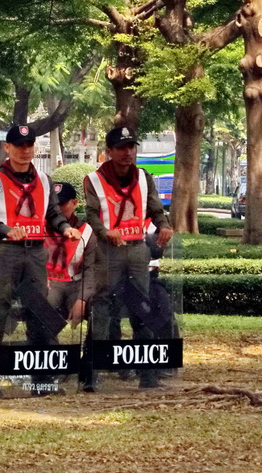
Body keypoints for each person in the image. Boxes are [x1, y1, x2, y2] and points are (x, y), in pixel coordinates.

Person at [0, 125, 82, 398]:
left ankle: (42, 379)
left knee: (39, 312)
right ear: (7, 148)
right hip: (6, 251)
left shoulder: (45, 181)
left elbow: (53, 215)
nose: (25, 151)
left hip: (36, 253)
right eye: (19, 145)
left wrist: (65, 228)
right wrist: (5, 229)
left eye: (29, 145)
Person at [84, 126, 174, 389]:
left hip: (137, 249)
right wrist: (104, 232)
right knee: (102, 306)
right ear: (109, 152)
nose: (127, 153)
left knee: (141, 305)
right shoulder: (94, 180)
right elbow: (90, 214)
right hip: (108, 250)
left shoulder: (145, 177)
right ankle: (91, 370)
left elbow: (157, 209)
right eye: (121, 148)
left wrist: (164, 225)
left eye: (131, 147)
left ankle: (147, 373)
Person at [44, 183, 97, 391]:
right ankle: (56, 362)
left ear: (74, 204)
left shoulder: (87, 231)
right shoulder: (40, 226)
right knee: (43, 310)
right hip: (50, 281)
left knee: (99, 308)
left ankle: (88, 363)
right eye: (54, 205)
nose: (57, 210)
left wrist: (83, 299)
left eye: (62, 204)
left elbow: (91, 270)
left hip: (76, 283)